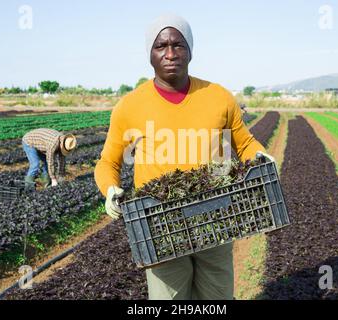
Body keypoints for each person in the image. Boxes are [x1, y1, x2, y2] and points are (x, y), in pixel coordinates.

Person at [94, 14, 274, 300]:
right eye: (160, 46)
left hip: (215, 218)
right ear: (149, 54)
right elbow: (108, 162)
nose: (170, 53)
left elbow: (245, 143)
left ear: (190, 50)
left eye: (178, 45)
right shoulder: (130, 106)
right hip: (159, 226)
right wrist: (110, 189)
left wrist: (261, 156)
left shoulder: (218, 97)